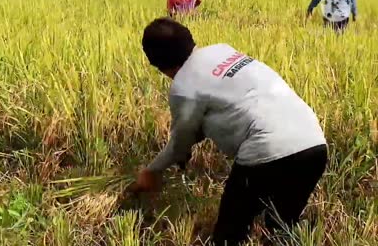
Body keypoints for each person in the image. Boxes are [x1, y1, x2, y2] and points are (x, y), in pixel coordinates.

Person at [130, 17, 328, 246]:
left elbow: (179, 144)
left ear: (157, 64)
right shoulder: (222, 50)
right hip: (313, 143)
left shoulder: (183, 87)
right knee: (280, 229)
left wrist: (152, 171)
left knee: (228, 235)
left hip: (268, 152)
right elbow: (227, 108)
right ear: (189, 38)